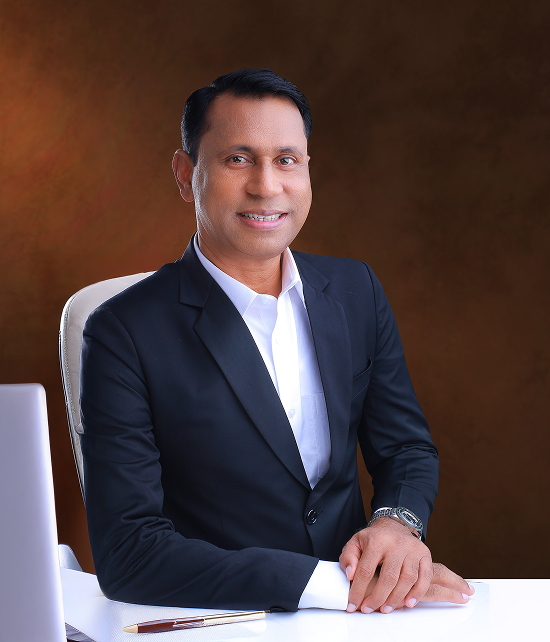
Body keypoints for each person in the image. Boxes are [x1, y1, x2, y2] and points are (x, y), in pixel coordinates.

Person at [80, 68, 473, 615]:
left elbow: (404, 448)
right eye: (237, 159)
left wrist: (395, 526)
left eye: (287, 160)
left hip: (364, 620)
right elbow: (130, 554)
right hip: (222, 621)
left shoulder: (355, 289)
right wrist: (333, 587)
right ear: (186, 174)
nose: (266, 186)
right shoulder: (122, 331)